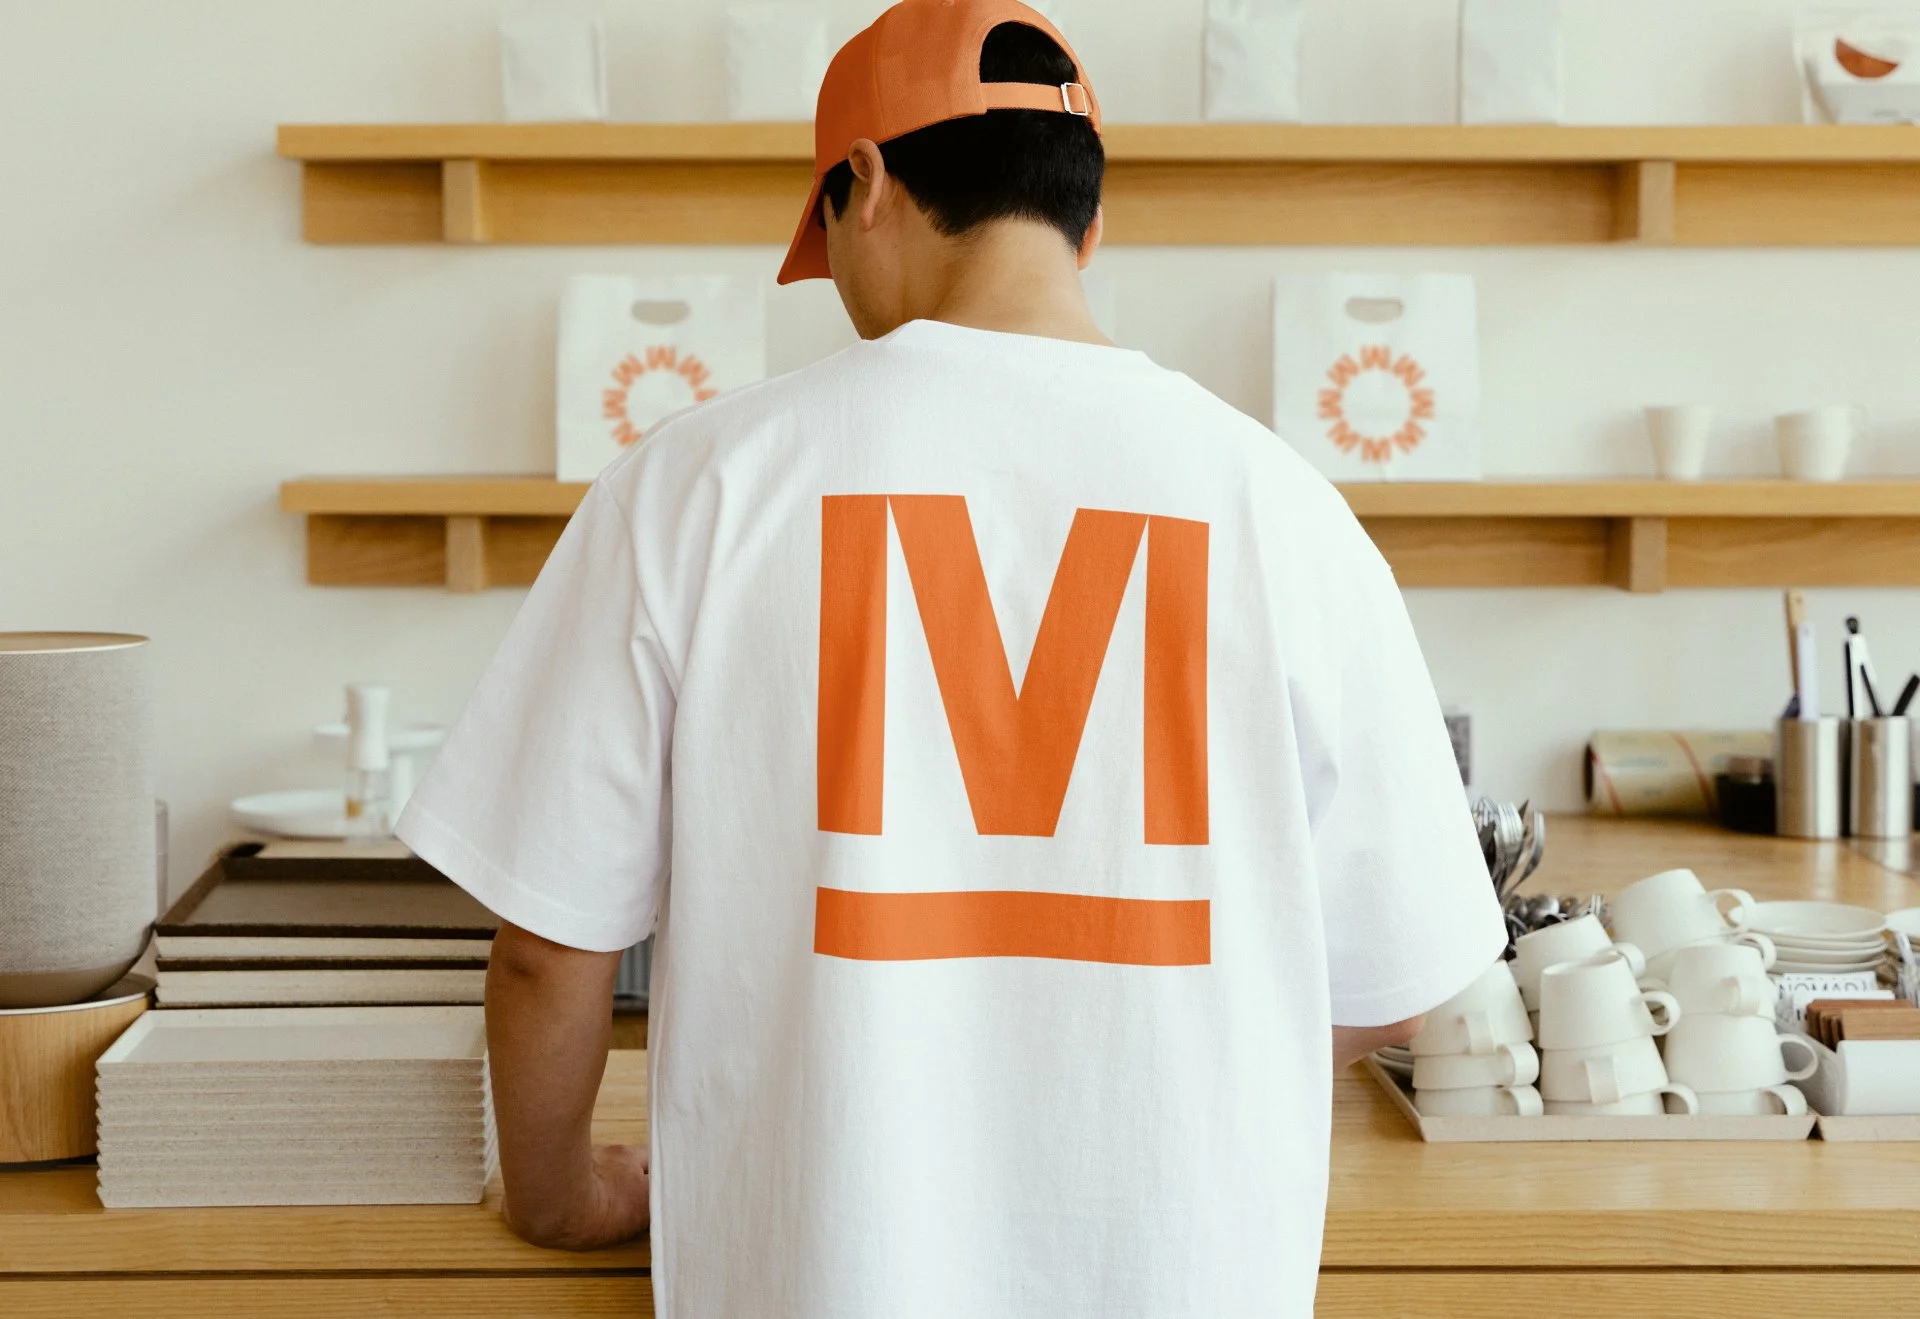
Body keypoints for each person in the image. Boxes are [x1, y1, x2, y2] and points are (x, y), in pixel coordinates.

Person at [395, 0, 1508, 1313]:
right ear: (1088, 227)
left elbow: (546, 943)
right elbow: (1402, 984)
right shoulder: (1283, 505)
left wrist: (556, 1189)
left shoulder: (700, 483)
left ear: (859, 185)